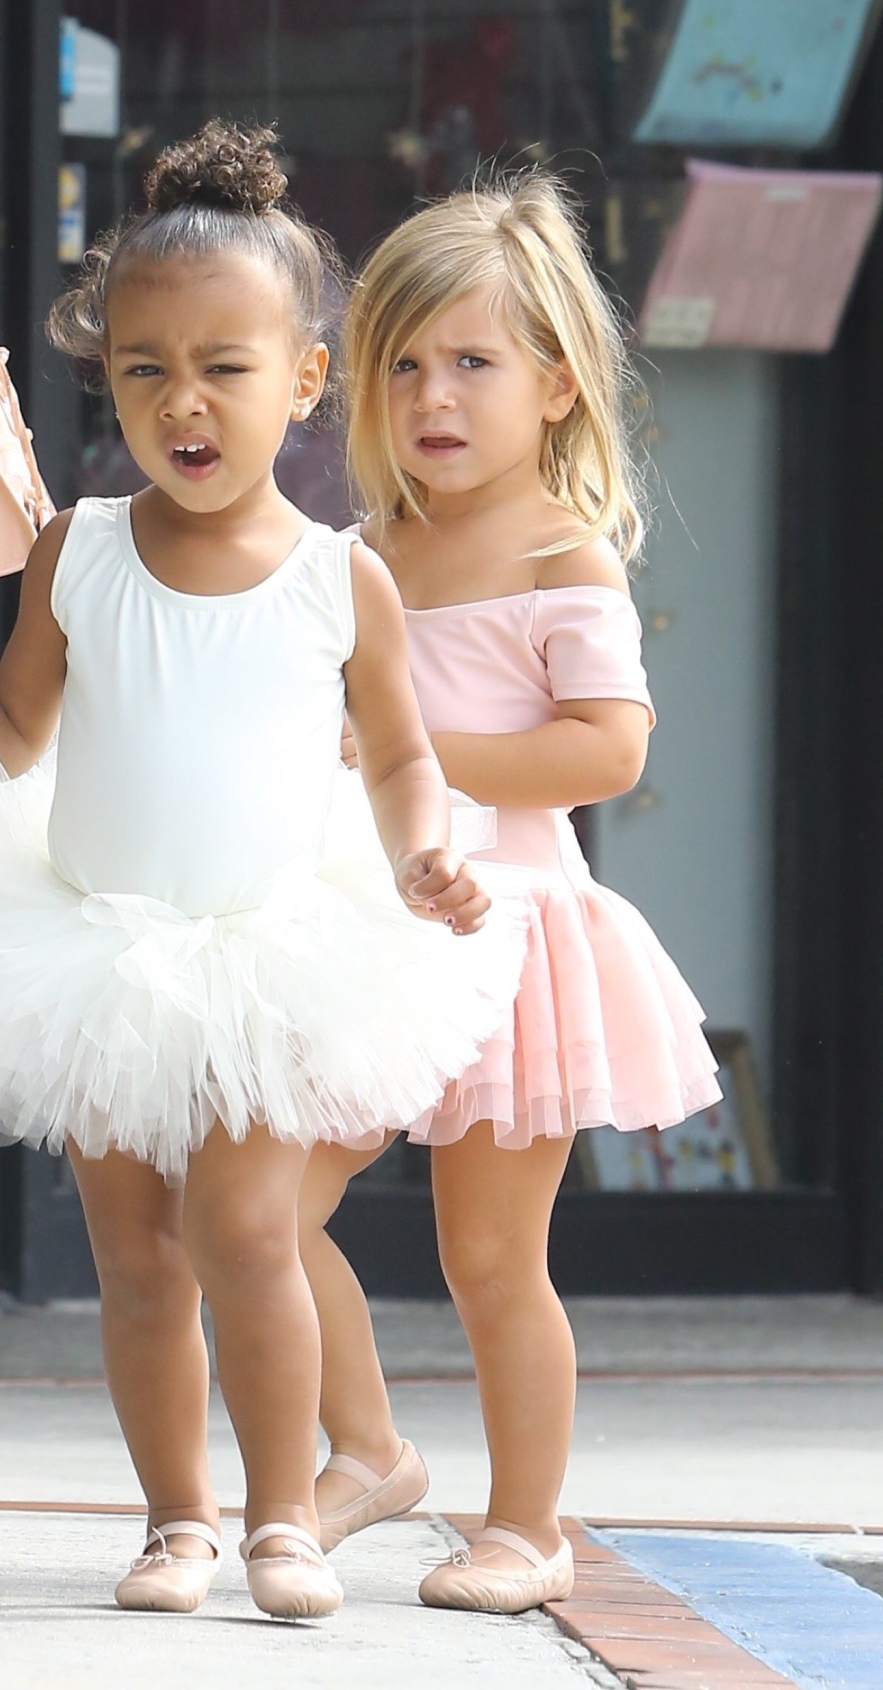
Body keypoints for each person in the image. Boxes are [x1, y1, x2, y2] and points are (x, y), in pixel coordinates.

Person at [0, 122, 525, 1620]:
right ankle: (175, 1523)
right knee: (137, 1256)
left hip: (271, 947)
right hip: (97, 943)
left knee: (250, 1230)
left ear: (306, 384)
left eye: (224, 365)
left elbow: (398, 754)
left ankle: (285, 1514)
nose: (183, 400)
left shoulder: (344, 574)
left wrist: (423, 853)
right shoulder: (78, 549)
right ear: (109, 383)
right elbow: (16, 724)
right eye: (144, 369)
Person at [299, 171, 722, 1610]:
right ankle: (368, 1448)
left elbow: (604, 749)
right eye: (404, 363)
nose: (435, 394)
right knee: (268, 1213)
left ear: (552, 384)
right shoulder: (364, 556)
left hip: (506, 940)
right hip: (363, 934)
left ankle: (529, 1528)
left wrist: (407, 746)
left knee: (490, 1254)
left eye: (473, 363)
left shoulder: (559, 552)